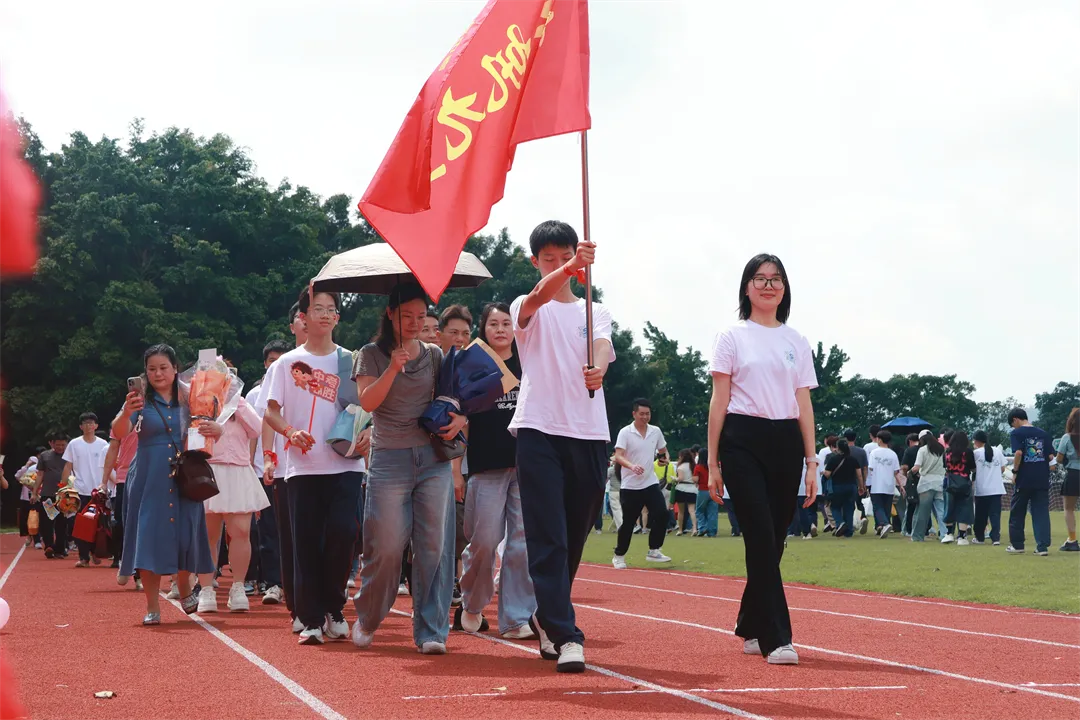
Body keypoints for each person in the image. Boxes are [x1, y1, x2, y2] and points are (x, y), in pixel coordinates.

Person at [510, 220, 614, 674]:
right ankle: (566, 634)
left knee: (573, 533)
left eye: (565, 256)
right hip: (539, 429)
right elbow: (538, 297)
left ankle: (546, 613)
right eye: (549, 259)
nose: (558, 263)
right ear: (536, 261)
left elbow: (602, 345)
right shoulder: (526, 306)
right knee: (547, 533)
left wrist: (599, 369)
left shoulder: (596, 310)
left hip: (589, 432)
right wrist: (570, 269)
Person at [706, 253, 818, 665]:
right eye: (760, 278)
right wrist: (713, 463)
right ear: (747, 287)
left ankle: (750, 622)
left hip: (786, 441)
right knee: (758, 535)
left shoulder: (796, 341)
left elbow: (803, 404)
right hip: (742, 439)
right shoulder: (731, 336)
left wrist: (812, 462)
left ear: (784, 289)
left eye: (775, 279)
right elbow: (719, 401)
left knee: (774, 538)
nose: (768, 285)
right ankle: (777, 637)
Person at [351, 282, 462, 654]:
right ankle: (368, 616)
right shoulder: (370, 354)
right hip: (389, 460)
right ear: (389, 315)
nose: (415, 323)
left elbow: (453, 398)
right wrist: (393, 368)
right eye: (406, 316)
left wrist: (460, 419)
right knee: (385, 546)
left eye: (421, 316)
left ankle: (431, 630)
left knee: (434, 547)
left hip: (432, 460)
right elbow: (368, 402)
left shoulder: (434, 354)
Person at [263, 288, 367, 645]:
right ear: (303, 317)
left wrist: (368, 432)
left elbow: (367, 407)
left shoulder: (350, 360)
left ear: (337, 317)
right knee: (305, 542)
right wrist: (290, 432)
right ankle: (310, 619)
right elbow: (271, 411)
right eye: (317, 308)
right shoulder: (286, 363)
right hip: (303, 467)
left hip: (346, 463)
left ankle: (334, 607)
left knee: (343, 534)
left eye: (331, 309)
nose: (324, 314)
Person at [114, 344, 216, 624]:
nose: (158, 374)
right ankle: (152, 605)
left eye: (163, 367)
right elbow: (119, 431)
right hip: (150, 476)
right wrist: (125, 412)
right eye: (151, 369)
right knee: (149, 537)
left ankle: (184, 586)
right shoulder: (139, 401)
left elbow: (207, 427)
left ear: (175, 369)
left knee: (185, 534)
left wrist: (215, 428)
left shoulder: (192, 397)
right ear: (145, 373)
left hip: (185, 475)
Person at [454, 302, 537, 639]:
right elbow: (460, 421)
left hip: (526, 464)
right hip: (486, 465)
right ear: (484, 329)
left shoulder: (529, 362)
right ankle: (472, 603)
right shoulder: (473, 364)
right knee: (485, 542)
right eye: (494, 324)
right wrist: (456, 470)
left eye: (506, 323)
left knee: (521, 544)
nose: (501, 329)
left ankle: (516, 618)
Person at [258, 308, 309, 631]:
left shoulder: (341, 360)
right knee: (291, 538)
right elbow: (269, 415)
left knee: (331, 535)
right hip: (289, 467)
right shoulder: (281, 367)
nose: (311, 320)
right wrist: (269, 456)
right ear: (293, 325)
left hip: (330, 464)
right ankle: (300, 605)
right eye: (305, 314)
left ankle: (326, 603)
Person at [196, 386, 268, 614]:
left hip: (238, 470)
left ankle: (238, 586)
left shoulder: (240, 402)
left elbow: (257, 429)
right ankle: (206, 588)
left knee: (241, 532)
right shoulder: (198, 401)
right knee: (208, 535)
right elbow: (191, 435)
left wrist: (236, 402)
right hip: (208, 470)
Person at [247, 339, 291, 608]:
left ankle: (293, 582)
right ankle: (273, 582)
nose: (276, 365)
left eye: (281, 360)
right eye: (272, 360)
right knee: (268, 530)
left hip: (294, 469)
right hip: (263, 469)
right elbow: (253, 432)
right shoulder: (255, 395)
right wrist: (250, 464)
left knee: (293, 530)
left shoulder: (299, 388)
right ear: (265, 364)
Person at [438, 304, 473, 608]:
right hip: (431, 461)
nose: (460, 338)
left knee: (460, 529)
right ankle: (434, 585)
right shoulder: (432, 367)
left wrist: (458, 469)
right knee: (433, 530)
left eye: (465, 333)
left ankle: (453, 582)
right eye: (454, 332)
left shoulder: (473, 371)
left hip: (463, 463)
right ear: (440, 334)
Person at [612, 399, 672, 568]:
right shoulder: (625, 432)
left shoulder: (655, 431)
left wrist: (664, 459)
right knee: (629, 522)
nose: (645, 417)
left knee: (662, 514)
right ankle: (619, 555)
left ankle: (654, 550)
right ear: (634, 414)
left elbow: (663, 451)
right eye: (642, 414)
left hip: (650, 482)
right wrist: (631, 466)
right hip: (630, 485)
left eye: (648, 414)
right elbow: (618, 456)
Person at [61, 412, 110, 567]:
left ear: (96, 426)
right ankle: (84, 557)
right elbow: (68, 465)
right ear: (81, 427)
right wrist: (63, 487)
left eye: (91, 423)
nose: (88, 426)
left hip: (98, 491)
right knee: (78, 525)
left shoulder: (103, 444)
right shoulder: (74, 444)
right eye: (85, 423)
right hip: (79, 490)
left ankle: (94, 551)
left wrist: (106, 485)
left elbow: (109, 465)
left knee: (98, 524)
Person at [1006, 408, 1054, 555]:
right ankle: (1042, 547)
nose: (1013, 427)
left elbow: (1018, 452)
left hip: (1024, 478)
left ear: (1015, 419)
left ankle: (1017, 545)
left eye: (1012, 424)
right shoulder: (1043, 434)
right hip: (1041, 478)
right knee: (1041, 512)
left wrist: (1015, 472)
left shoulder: (1016, 433)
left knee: (1017, 511)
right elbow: (1051, 457)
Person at [100, 427, 137, 580]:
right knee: (122, 523)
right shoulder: (122, 420)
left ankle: (140, 571)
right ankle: (123, 561)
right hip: (124, 477)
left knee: (145, 523)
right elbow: (113, 450)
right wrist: (104, 481)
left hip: (150, 475)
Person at [33, 433, 69, 558]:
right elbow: (40, 475)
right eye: (58, 445)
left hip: (64, 495)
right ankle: (49, 546)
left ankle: (60, 549)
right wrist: (34, 492)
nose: (60, 447)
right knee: (47, 521)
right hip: (48, 494)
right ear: (52, 443)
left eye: (63, 445)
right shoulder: (45, 456)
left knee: (62, 523)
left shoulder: (70, 455)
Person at [972, 430, 1006, 545]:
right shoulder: (997, 451)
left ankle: (980, 537)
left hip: (982, 489)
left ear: (976, 441)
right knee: (995, 515)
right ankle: (995, 538)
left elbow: (973, 469)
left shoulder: (976, 453)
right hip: (996, 488)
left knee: (980, 515)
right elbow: (1002, 468)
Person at [911, 430, 947, 542]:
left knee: (923, 512)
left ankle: (918, 536)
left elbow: (917, 467)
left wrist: (909, 472)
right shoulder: (942, 450)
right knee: (941, 511)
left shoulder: (922, 450)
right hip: (940, 481)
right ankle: (945, 534)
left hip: (926, 483)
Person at [867, 430, 903, 538]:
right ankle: (882, 527)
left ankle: (885, 524)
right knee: (887, 508)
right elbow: (896, 472)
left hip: (877, 484)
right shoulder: (893, 454)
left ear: (880, 439)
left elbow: (871, 468)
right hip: (889, 484)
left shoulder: (874, 453)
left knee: (878, 507)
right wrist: (901, 485)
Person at [942, 431, 976, 545]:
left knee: (949, 507)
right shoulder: (968, 452)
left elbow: (945, 467)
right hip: (964, 482)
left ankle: (949, 534)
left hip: (950, 483)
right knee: (964, 508)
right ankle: (961, 536)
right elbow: (973, 468)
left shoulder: (947, 452)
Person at [823, 439, 861, 536]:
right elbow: (859, 475)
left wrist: (823, 473)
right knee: (849, 508)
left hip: (837, 487)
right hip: (851, 486)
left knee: (835, 507)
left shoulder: (833, 459)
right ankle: (849, 532)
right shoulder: (853, 459)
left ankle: (840, 523)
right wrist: (861, 486)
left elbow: (827, 474)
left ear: (838, 448)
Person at [1054, 408, 1080, 552]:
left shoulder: (1067, 437)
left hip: (1073, 474)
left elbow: (1059, 458)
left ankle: (1072, 539)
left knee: (1069, 508)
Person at [841, 429, 870, 533]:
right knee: (859, 501)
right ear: (855, 438)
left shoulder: (842, 451)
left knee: (847, 504)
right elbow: (865, 468)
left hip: (845, 480)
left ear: (845, 438)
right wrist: (864, 482)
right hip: (858, 480)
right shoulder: (861, 451)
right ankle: (863, 517)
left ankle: (849, 524)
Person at [899, 433, 921, 537]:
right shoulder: (925, 449)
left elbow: (904, 467)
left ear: (910, 441)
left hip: (912, 480)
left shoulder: (909, 451)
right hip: (924, 478)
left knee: (911, 505)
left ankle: (908, 529)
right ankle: (926, 528)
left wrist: (905, 475)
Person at [673, 449, 699, 536]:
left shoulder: (681, 467)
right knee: (692, 510)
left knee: (681, 511)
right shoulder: (693, 466)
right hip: (692, 489)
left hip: (681, 488)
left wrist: (674, 479)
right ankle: (694, 528)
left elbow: (680, 478)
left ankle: (680, 529)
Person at [694, 447, 718, 537]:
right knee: (712, 512)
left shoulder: (698, 467)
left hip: (703, 490)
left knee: (699, 510)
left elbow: (696, 479)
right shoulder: (713, 467)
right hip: (714, 490)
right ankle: (712, 531)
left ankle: (702, 528)